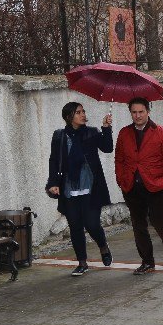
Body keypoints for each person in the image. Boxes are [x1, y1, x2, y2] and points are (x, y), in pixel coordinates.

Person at [46, 102, 114, 277]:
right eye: (78, 112)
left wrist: (106, 128)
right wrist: (52, 183)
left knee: (91, 224)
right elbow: (54, 160)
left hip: (91, 187)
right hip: (69, 187)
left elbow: (107, 148)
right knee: (75, 226)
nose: (83, 114)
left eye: (83, 111)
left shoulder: (91, 132)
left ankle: (103, 246)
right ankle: (82, 262)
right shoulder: (59, 136)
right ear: (69, 117)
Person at [114, 97, 163, 275]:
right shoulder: (124, 133)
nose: (137, 115)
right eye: (134, 112)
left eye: (141, 112)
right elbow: (119, 159)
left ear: (148, 112)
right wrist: (121, 179)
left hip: (156, 186)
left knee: (159, 222)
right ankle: (147, 261)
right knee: (138, 225)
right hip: (132, 187)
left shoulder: (161, 132)